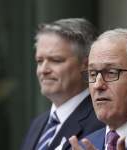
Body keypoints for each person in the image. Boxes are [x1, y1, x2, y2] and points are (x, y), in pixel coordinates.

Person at [21, 18, 105, 150]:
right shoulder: (38, 124)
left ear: (86, 64)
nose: (43, 70)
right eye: (39, 61)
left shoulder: (103, 122)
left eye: (56, 60)